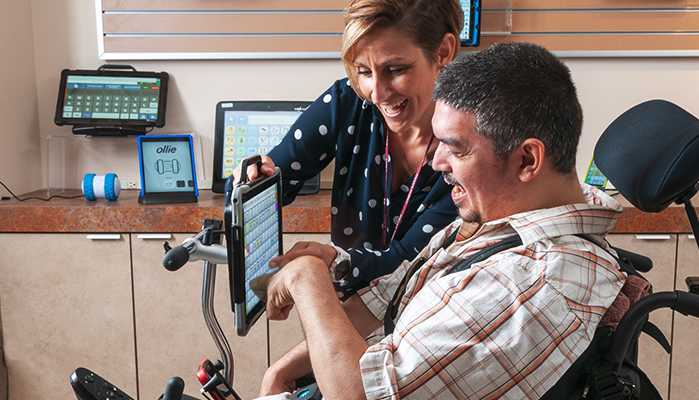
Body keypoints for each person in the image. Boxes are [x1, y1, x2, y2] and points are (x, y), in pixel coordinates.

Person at [257, 42, 628, 399]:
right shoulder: (506, 222)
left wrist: (307, 277)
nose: (437, 163)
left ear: (527, 160)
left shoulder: (529, 285)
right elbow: (391, 296)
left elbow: (360, 396)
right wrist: (283, 371)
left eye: (456, 148)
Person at [229, 0, 462, 298]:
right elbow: (259, 190)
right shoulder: (347, 104)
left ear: (443, 52)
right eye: (364, 71)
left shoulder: (468, 143)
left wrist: (332, 261)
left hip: (429, 322)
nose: (376, 93)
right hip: (347, 316)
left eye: (395, 69)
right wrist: (250, 180)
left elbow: (409, 261)